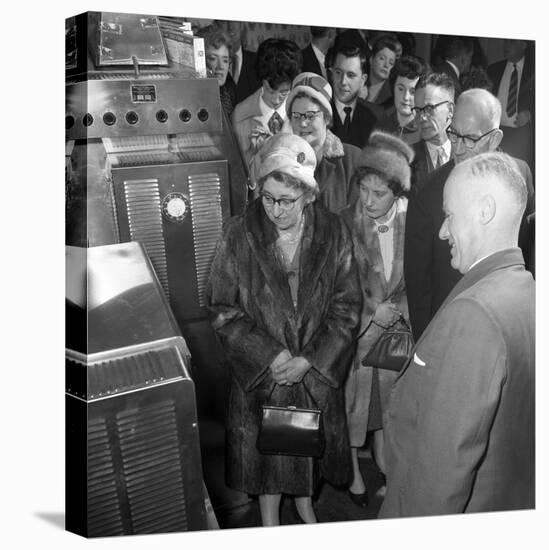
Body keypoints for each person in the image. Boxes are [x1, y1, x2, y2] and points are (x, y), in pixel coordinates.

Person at [206, 132, 362, 527]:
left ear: (309, 195)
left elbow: (347, 308)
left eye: (286, 201)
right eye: (268, 197)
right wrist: (271, 355)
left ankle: (306, 504)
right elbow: (223, 309)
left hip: (312, 372)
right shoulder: (238, 233)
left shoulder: (334, 233)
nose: (274, 210)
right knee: (269, 461)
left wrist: (310, 360)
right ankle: (270, 521)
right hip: (263, 375)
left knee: (307, 449)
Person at [379, 151, 535, 517]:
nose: (441, 231)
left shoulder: (474, 315)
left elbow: (440, 476)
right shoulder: (526, 289)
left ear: (484, 211)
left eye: (448, 215)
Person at [404, 88, 534, 341]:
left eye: (471, 139)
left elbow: (527, 254)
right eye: (454, 134)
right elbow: (418, 283)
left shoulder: (520, 175)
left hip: (510, 326)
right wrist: (424, 345)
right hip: (451, 331)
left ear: (495, 139)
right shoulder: (428, 192)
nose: (459, 148)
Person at [341, 131, 415, 508]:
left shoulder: (412, 223)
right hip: (357, 341)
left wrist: (398, 312)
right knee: (354, 411)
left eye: (378, 193)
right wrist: (373, 311)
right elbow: (339, 288)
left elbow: (417, 280)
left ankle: (389, 471)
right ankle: (354, 473)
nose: (367, 201)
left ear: (397, 192)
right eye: (363, 190)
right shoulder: (344, 224)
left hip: (396, 338)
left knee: (389, 410)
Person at [283, 72, 363, 213]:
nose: (302, 123)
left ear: (326, 118)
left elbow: (360, 220)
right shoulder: (283, 163)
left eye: (310, 115)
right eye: (296, 116)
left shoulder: (352, 160)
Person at [232, 38, 302, 166]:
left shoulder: (303, 111)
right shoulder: (240, 115)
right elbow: (239, 173)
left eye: (284, 92)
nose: (276, 100)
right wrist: (254, 154)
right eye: (270, 90)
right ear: (261, 79)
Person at [487, 39, 535, 176]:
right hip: (497, 134)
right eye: (505, 42)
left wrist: (531, 114)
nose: (506, 45)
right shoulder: (493, 69)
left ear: (523, 45)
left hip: (522, 136)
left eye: (512, 42)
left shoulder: (535, 70)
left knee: (518, 176)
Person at [410, 72, 455, 190]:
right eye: (418, 110)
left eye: (429, 108)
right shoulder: (406, 158)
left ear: (450, 110)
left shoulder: (468, 156)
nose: (422, 118)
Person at [329, 45, 378, 149]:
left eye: (350, 75)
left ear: (363, 80)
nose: (343, 82)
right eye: (338, 73)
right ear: (331, 73)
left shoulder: (372, 118)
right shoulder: (318, 111)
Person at [375, 54, 428, 145]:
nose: (406, 97)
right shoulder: (379, 124)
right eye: (400, 89)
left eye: (412, 92)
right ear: (393, 88)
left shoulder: (427, 131)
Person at [214, 19, 260, 104]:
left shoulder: (258, 61)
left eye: (235, 20)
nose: (231, 27)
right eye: (224, 21)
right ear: (216, 26)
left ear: (242, 25)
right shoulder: (209, 65)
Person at [196, 26, 237, 117]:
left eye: (225, 60)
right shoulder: (194, 98)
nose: (221, 66)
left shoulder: (230, 93)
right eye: (213, 58)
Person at [366, 35, 398, 107]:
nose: (386, 65)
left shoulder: (392, 97)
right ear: (371, 60)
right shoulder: (357, 85)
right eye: (382, 58)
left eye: (391, 63)